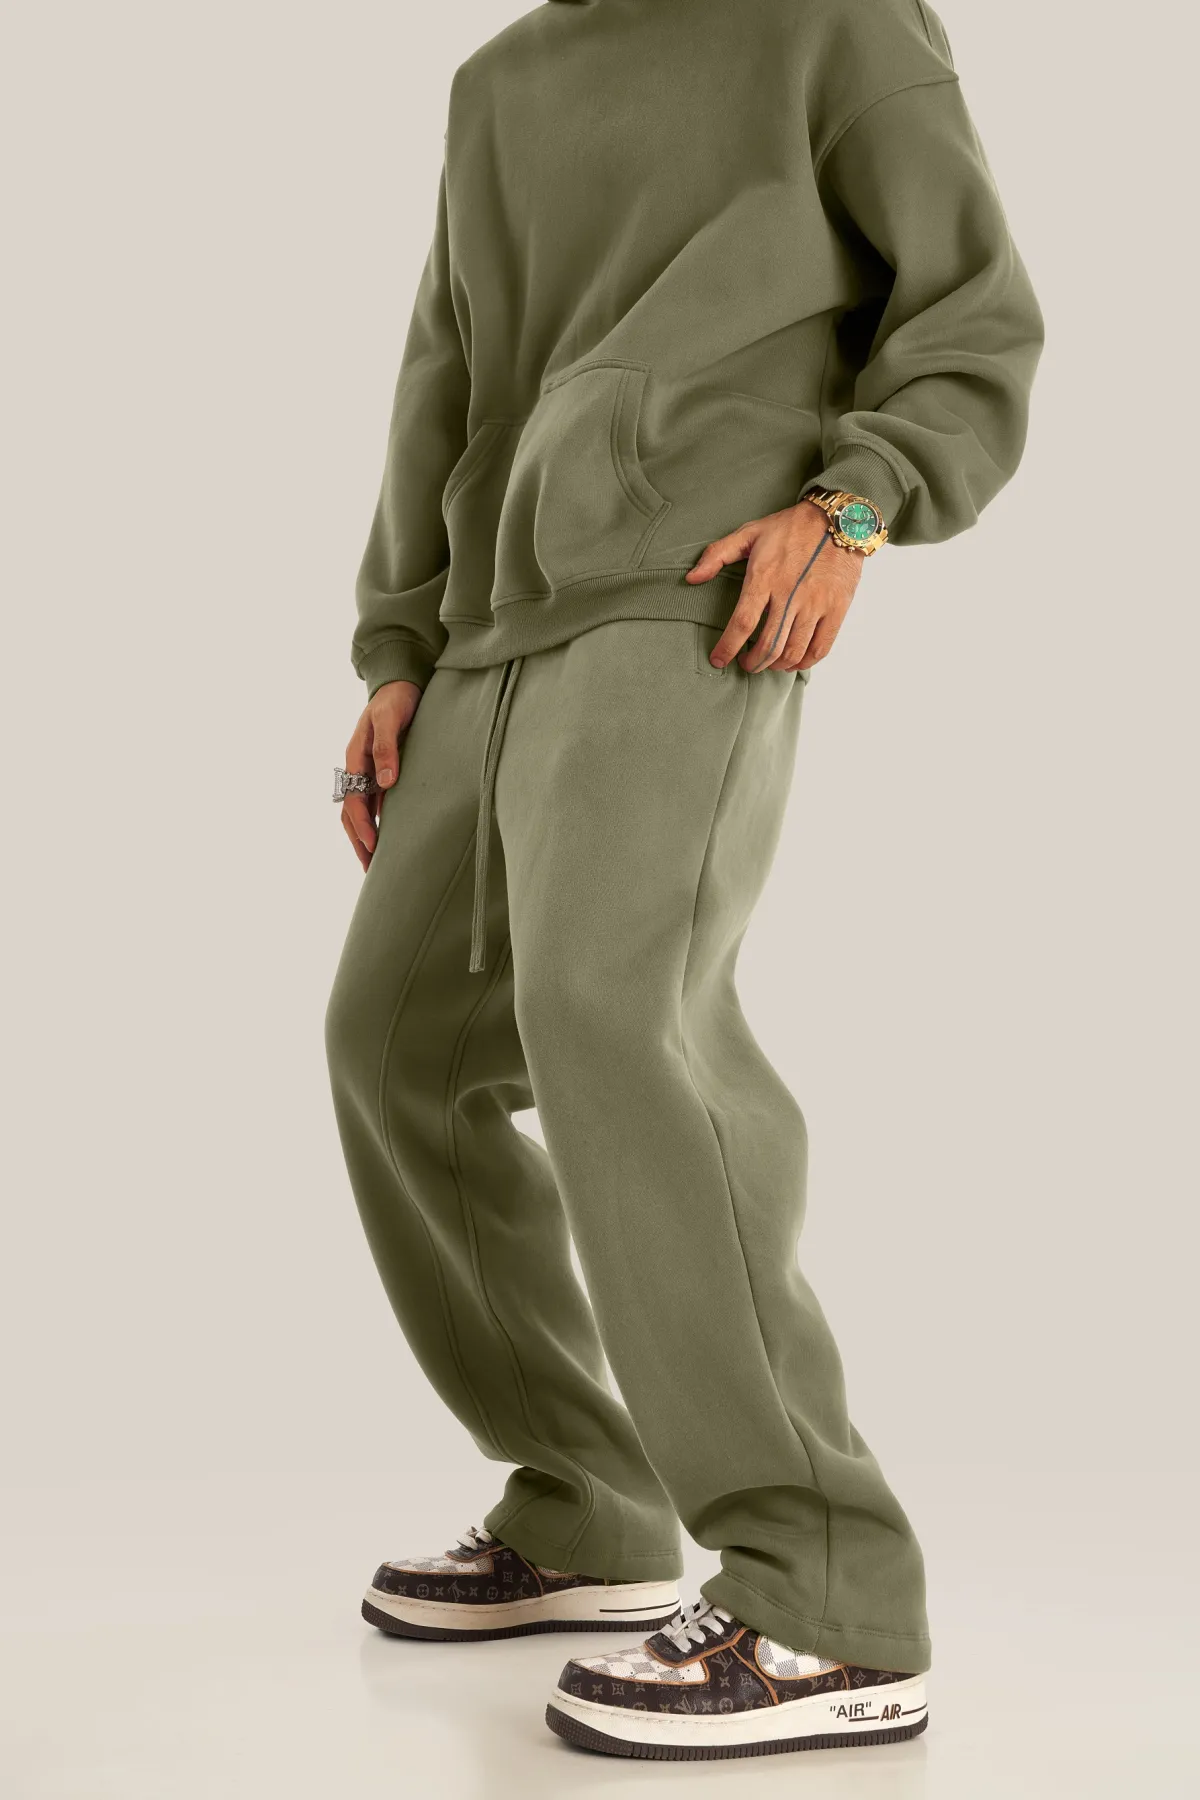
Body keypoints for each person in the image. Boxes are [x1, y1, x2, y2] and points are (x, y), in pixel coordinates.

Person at [325, 0, 1041, 1763]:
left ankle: (827, 1591)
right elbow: (447, 371)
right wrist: (399, 640)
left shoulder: (830, 19)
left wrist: (859, 502)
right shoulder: (501, 81)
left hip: (699, 578)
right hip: (497, 618)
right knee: (397, 1046)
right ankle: (585, 1499)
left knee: (612, 1011)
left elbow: (972, 311)